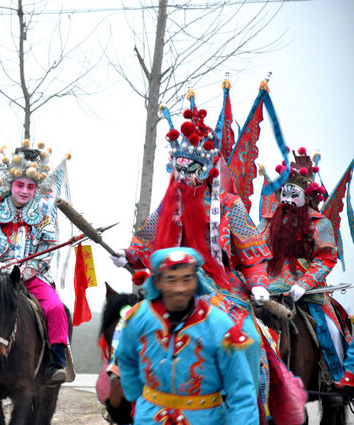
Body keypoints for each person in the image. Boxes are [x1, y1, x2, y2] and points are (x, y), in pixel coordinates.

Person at [110, 104, 271, 393]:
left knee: (250, 338)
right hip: (169, 281)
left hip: (222, 287)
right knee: (127, 323)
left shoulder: (230, 205)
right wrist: (127, 254)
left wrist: (258, 283)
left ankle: (252, 400)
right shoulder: (168, 203)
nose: (182, 177)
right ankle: (124, 395)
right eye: (177, 170)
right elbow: (145, 241)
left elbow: (252, 253)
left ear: (206, 168)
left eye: (188, 170)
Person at [0, 139, 70, 386]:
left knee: (55, 308)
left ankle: (55, 363)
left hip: (32, 278)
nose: (24, 191)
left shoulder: (42, 216)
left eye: (30, 187)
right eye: (20, 185)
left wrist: (26, 271)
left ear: (35, 189)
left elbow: (48, 248)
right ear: (11, 185)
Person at [115, 247, 258, 425]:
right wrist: (141, 401)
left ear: (196, 281)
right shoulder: (138, 318)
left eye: (187, 279)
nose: (179, 288)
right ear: (158, 281)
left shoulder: (220, 326)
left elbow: (241, 390)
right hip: (150, 418)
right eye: (171, 280)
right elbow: (126, 360)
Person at [258, 147, 350, 380]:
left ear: (307, 197)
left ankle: (338, 379)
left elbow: (326, 257)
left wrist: (304, 284)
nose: (287, 201)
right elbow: (254, 250)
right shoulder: (268, 223)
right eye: (284, 195)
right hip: (268, 287)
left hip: (307, 291)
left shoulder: (320, 223)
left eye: (293, 195)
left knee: (330, 330)